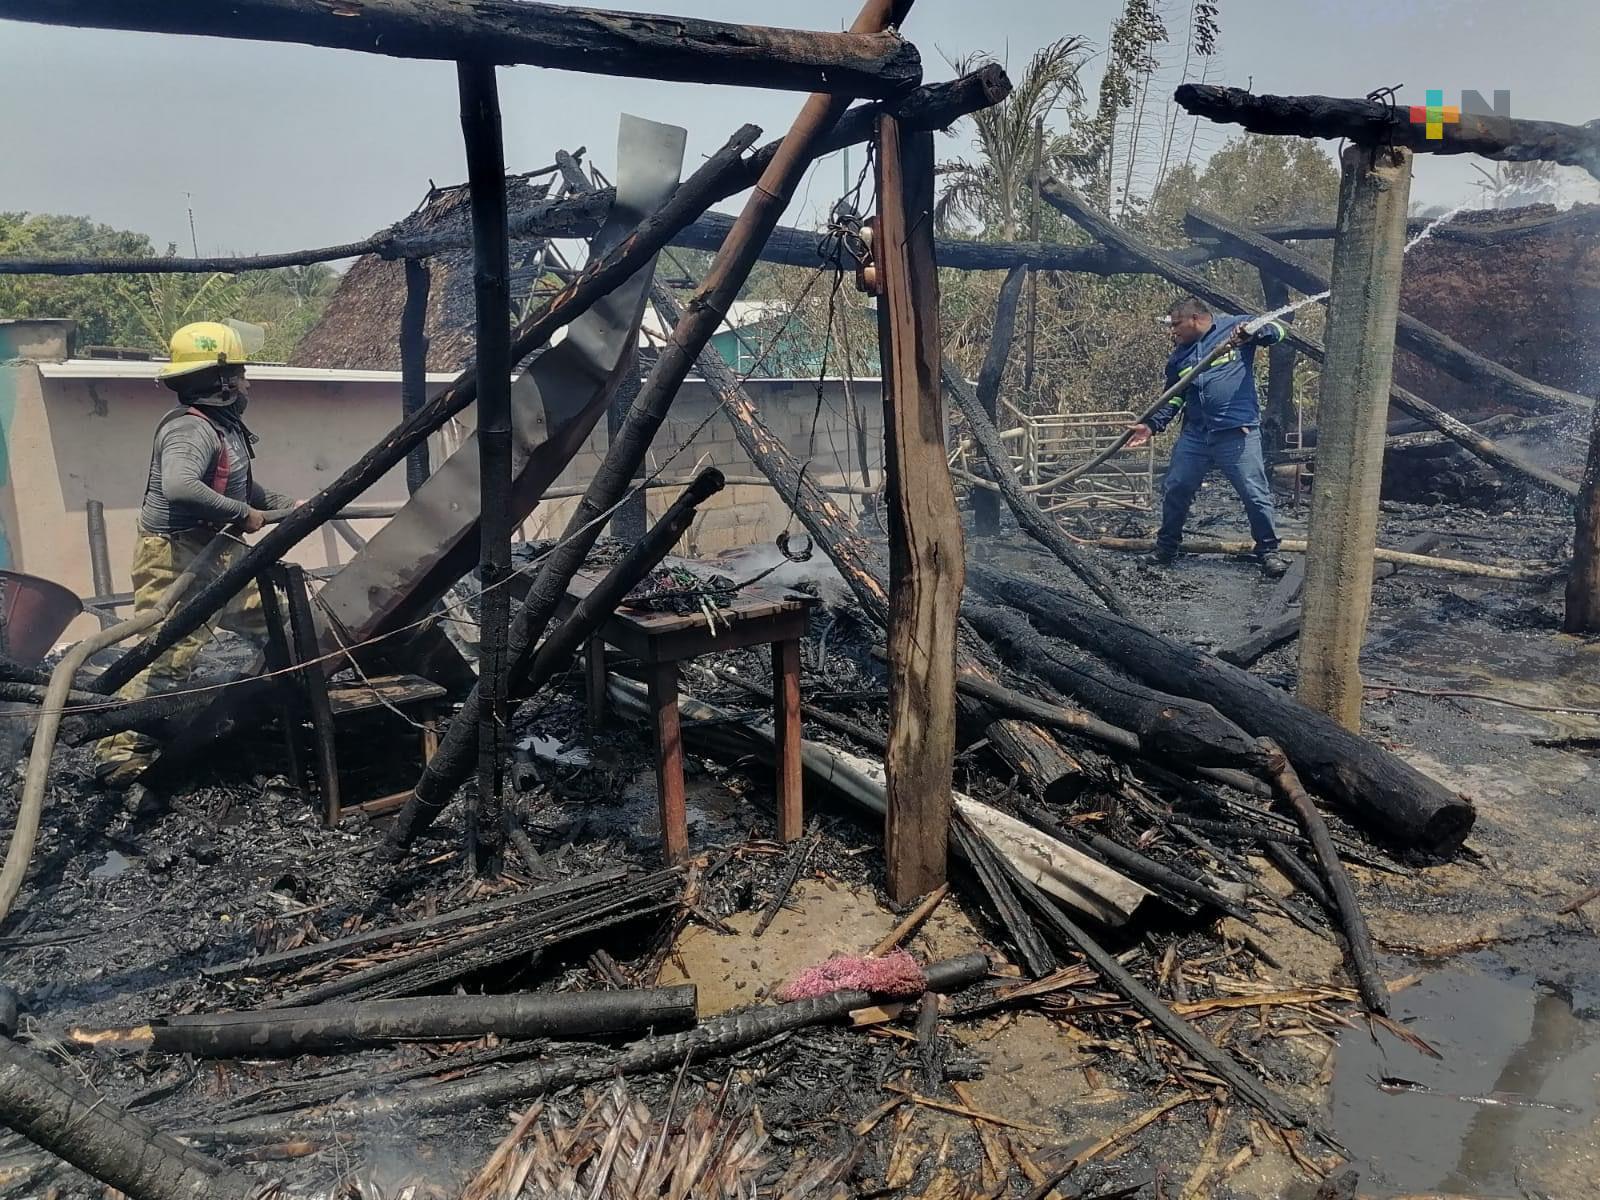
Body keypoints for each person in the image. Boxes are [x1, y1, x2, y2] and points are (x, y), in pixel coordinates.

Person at [94, 322, 295, 790]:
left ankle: (285, 698)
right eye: (242, 373)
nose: (248, 382)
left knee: (278, 622)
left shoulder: (222, 428)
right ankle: (120, 752)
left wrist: (294, 504)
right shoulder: (189, 430)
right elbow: (181, 486)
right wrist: (242, 512)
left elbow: (241, 484)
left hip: (214, 550)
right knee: (166, 653)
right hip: (175, 558)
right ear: (221, 382)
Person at [1127, 297, 1292, 577]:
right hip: (1196, 435)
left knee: (1254, 493)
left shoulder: (1236, 328)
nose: (1173, 332)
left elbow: (1279, 330)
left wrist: (1256, 332)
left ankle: (1268, 551)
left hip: (1236, 432)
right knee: (1177, 487)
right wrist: (1152, 425)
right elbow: (1174, 397)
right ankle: (1166, 548)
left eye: (1176, 324)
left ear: (1195, 318)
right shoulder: (1180, 356)